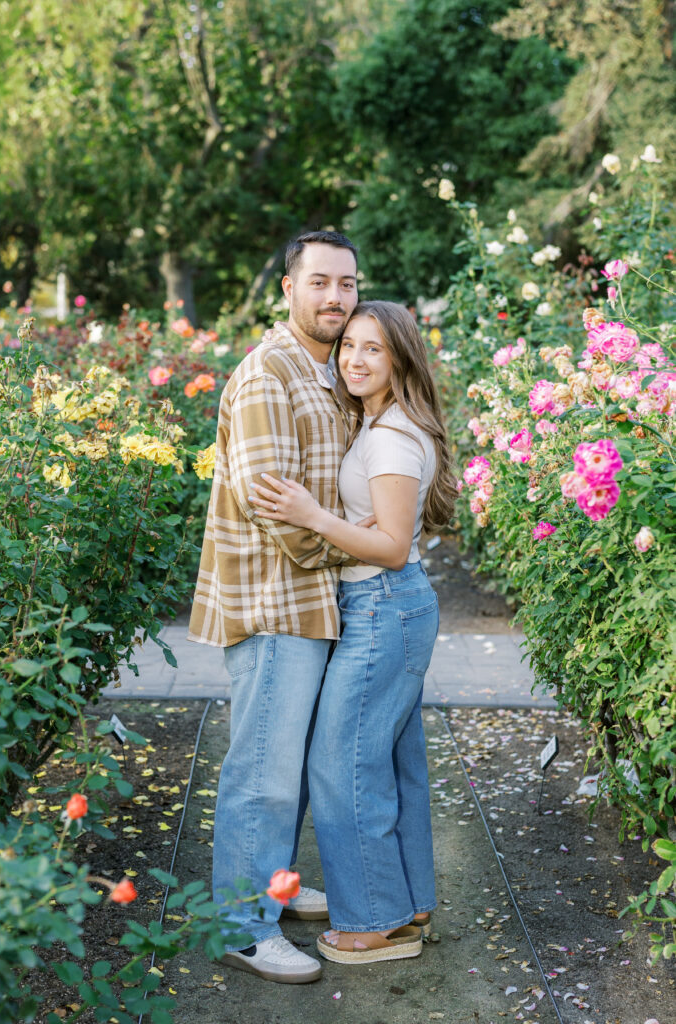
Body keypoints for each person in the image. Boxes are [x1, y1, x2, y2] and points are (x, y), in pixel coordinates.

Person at [249, 300, 458, 965]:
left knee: (340, 765)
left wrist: (310, 514)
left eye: (373, 349)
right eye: (348, 347)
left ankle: (372, 921)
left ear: (399, 359)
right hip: (389, 610)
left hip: (384, 608)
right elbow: (383, 532)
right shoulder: (385, 425)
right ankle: (407, 902)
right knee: (393, 764)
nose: (355, 359)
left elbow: (393, 546)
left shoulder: (391, 437)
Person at [188, 230, 361, 983]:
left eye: (346, 284)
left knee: (283, 765)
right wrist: (357, 552)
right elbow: (275, 510)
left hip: (309, 598)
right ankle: (240, 926)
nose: (334, 297)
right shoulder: (269, 375)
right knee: (261, 769)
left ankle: (274, 892)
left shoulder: (321, 371)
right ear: (287, 289)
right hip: (271, 601)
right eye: (318, 282)